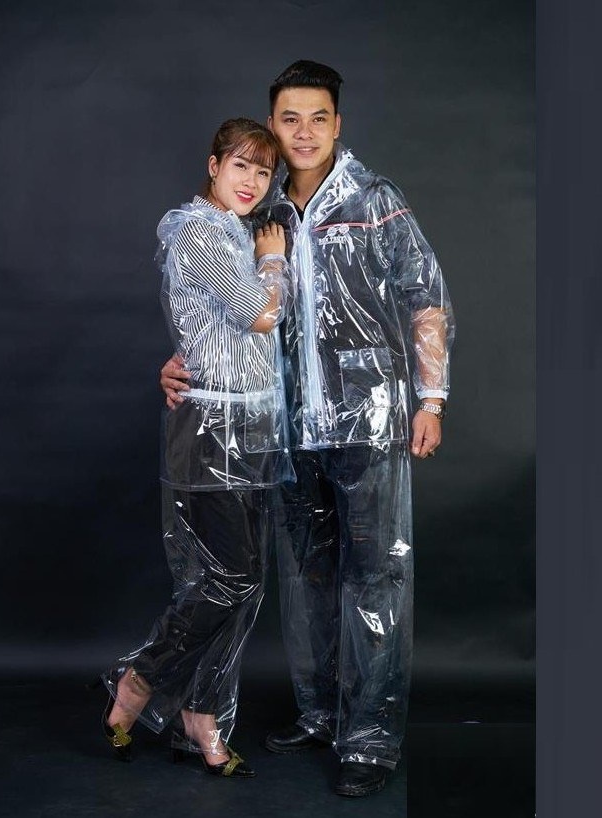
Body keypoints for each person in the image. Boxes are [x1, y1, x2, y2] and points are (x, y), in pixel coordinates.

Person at [161, 60, 455, 797]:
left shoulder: (373, 199)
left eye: (318, 118)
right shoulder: (259, 212)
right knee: (306, 578)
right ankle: (321, 714)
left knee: (376, 577)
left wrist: (431, 399)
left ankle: (370, 738)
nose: (303, 132)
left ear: (337, 125)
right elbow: (228, 307)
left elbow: (424, 297)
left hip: (369, 418)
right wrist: (183, 359)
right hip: (287, 425)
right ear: (273, 124)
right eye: (289, 118)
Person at [101, 118, 293, 779]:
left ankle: (201, 712)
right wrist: (274, 262)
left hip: (252, 425)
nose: (252, 181)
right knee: (230, 577)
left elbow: (226, 334)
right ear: (213, 166)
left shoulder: (237, 233)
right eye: (241, 165)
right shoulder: (195, 230)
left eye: (263, 172)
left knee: (242, 584)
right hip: (211, 428)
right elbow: (258, 314)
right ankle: (140, 677)